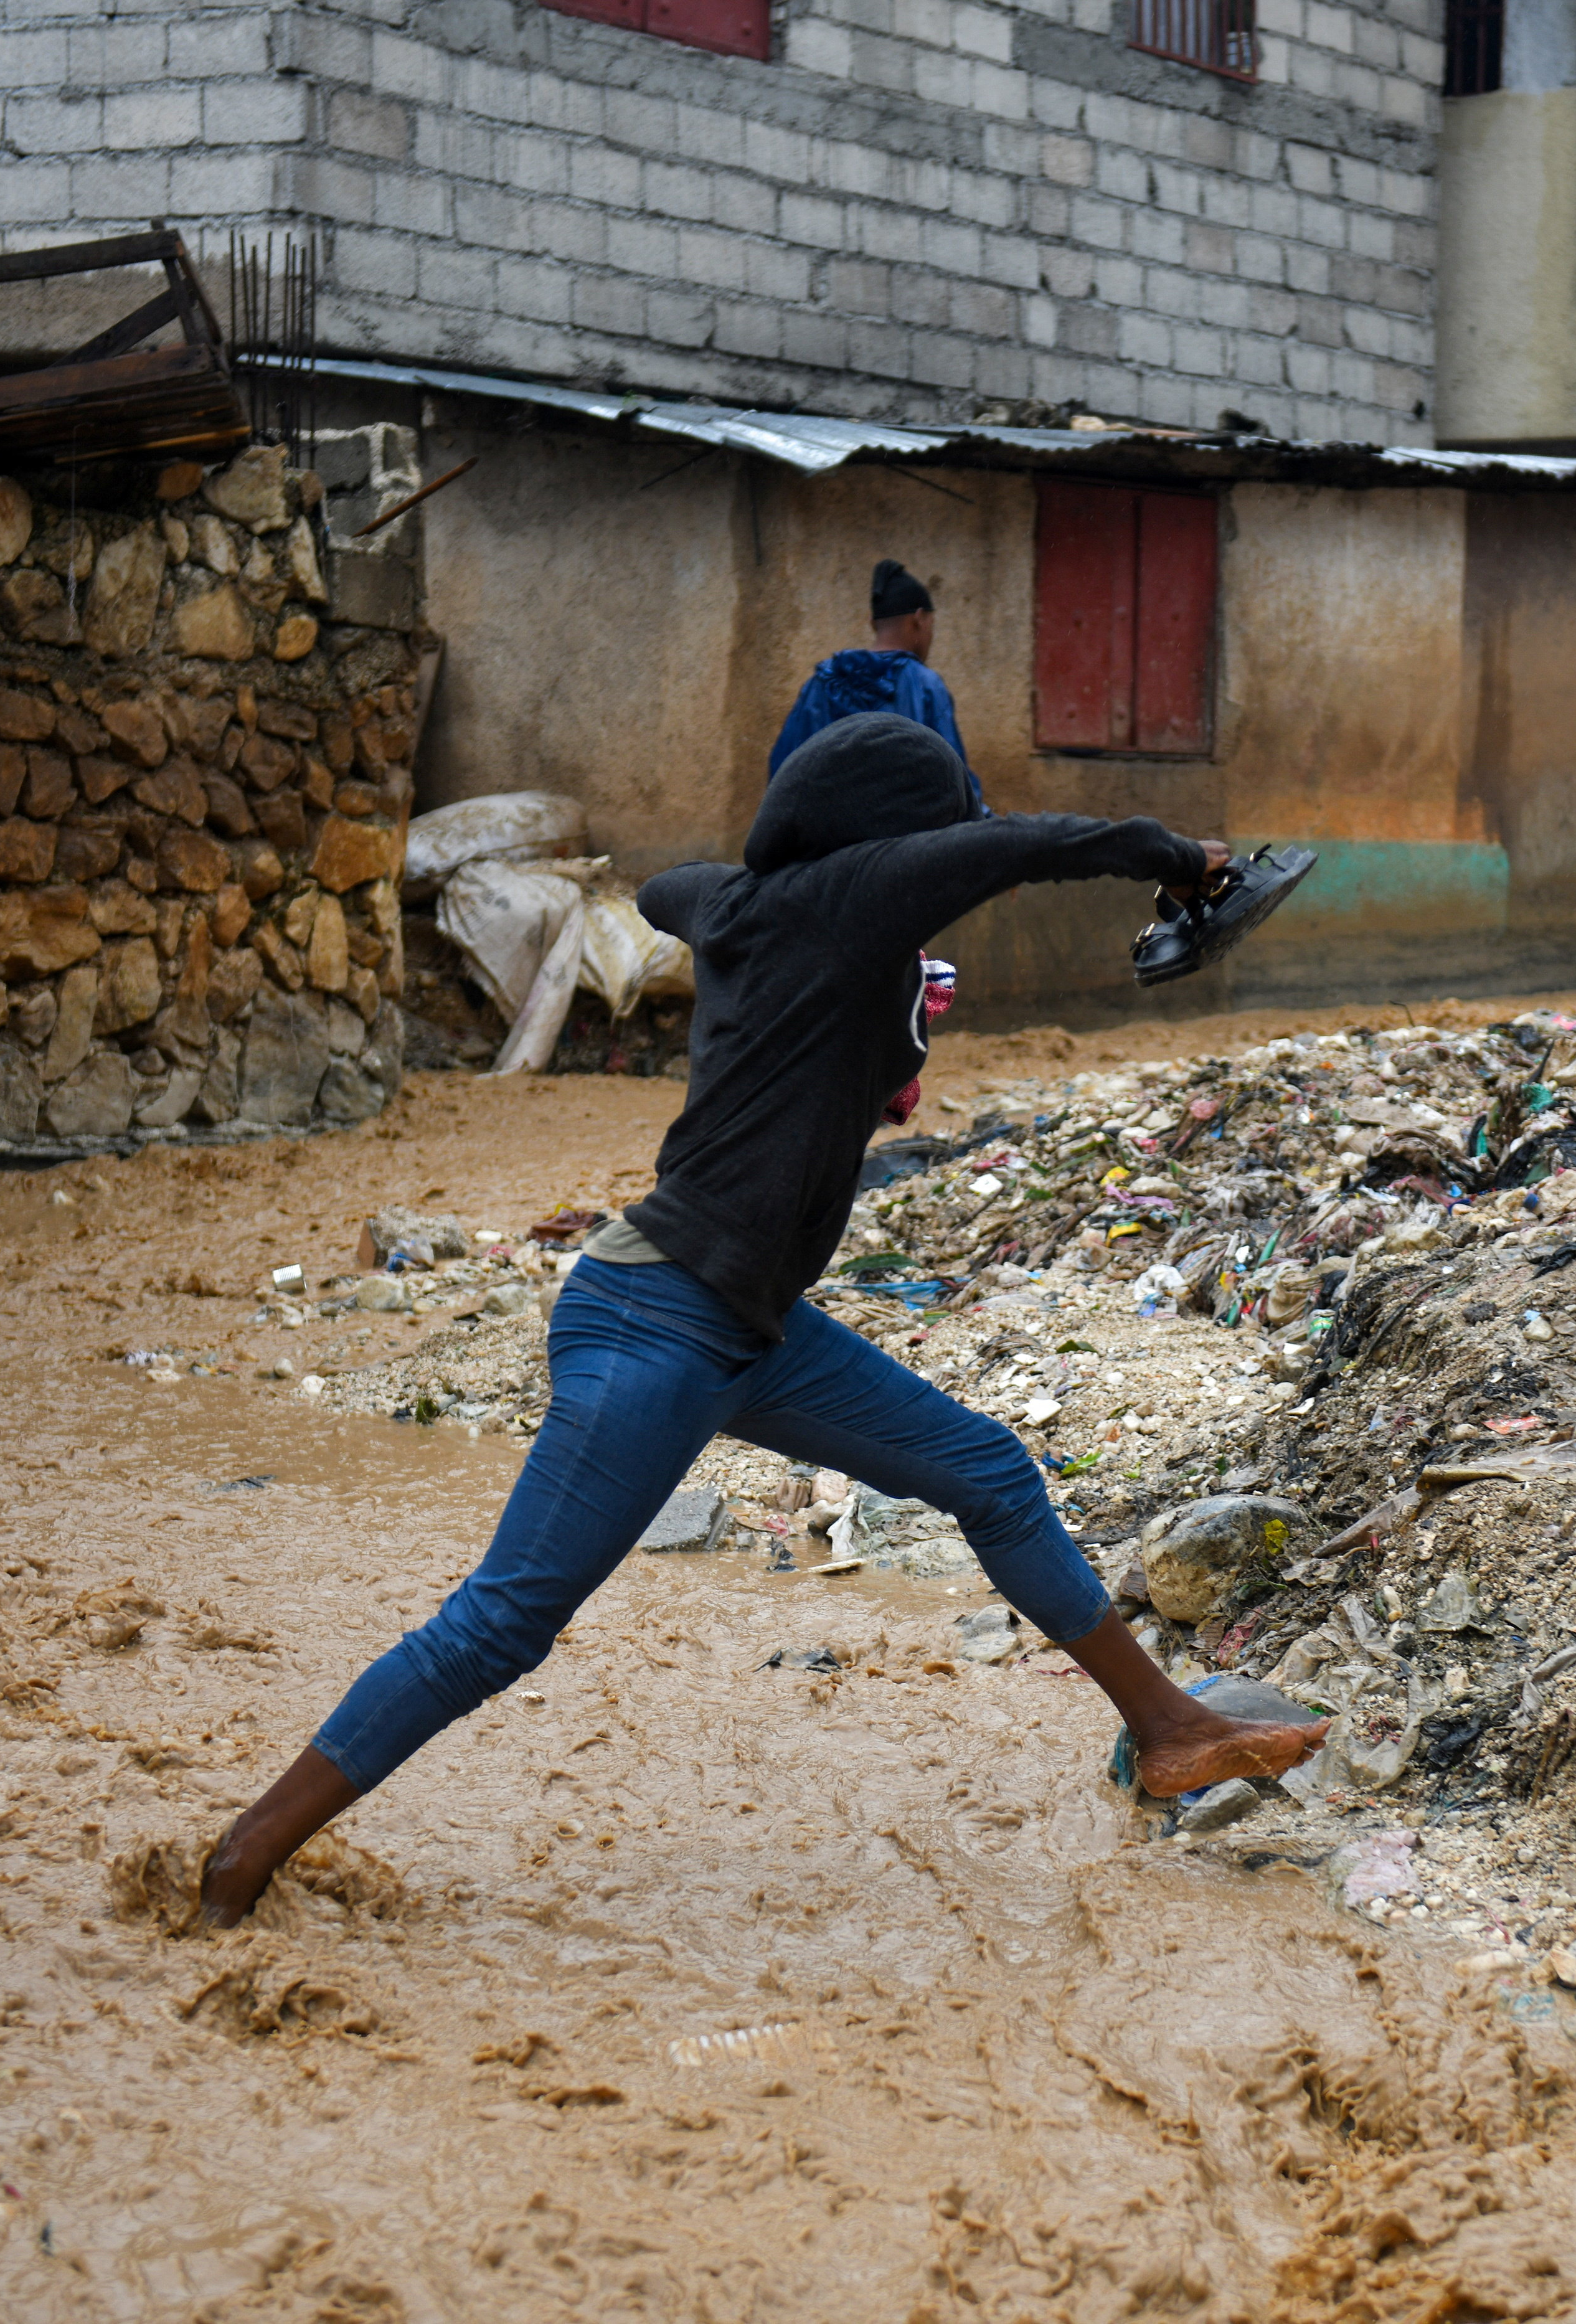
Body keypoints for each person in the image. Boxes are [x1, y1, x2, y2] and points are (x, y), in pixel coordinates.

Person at [197, 713, 1328, 1926]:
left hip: (751, 1328)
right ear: (887, 840)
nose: (944, 858)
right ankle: (238, 1862)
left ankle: (1169, 1729)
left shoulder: (750, 906)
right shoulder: (843, 901)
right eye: (932, 834)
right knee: (501, 1625)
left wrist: (753, 889)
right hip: (652, 1318)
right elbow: (1028, 848)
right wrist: (1180, 858)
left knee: (991, 1475)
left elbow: (673, 889)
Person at [768, 559, 983, 813]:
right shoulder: (925, 686)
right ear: (919, 620)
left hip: (826, 835)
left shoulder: (823, 683)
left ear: (872, 622)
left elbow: (783, 773)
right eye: (931, 626)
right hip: (905, 836)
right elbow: (956, 785)